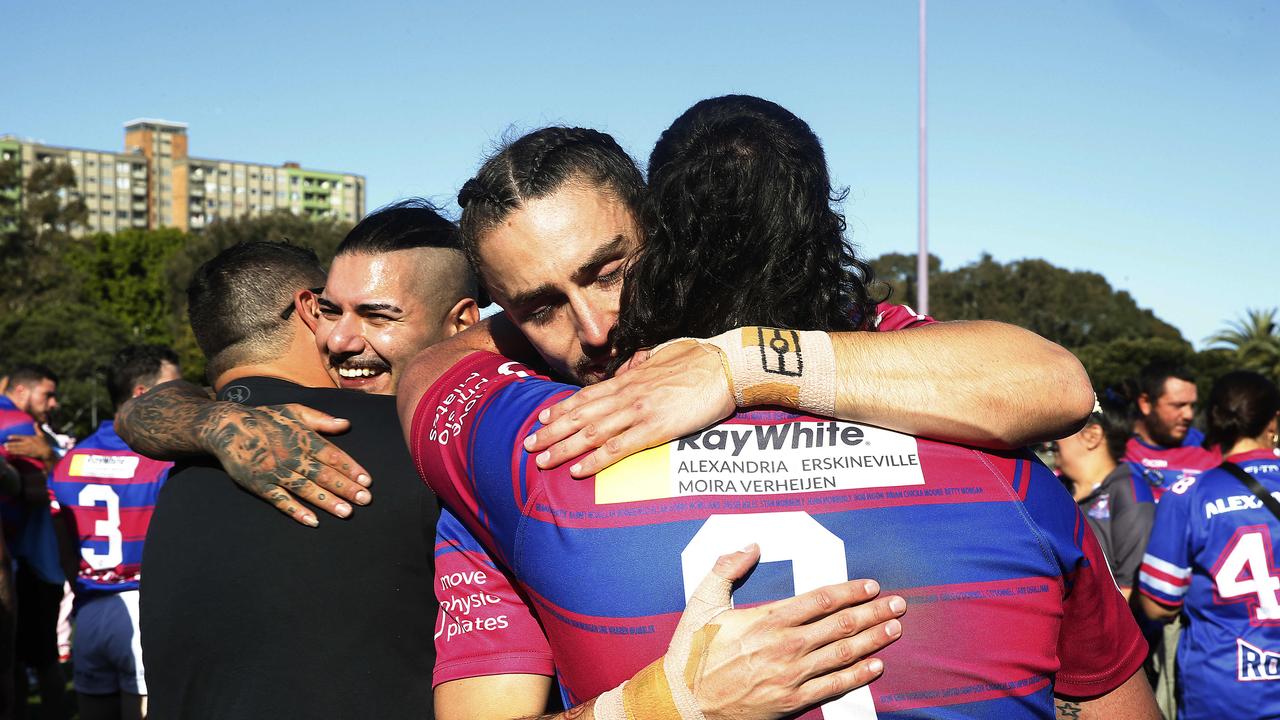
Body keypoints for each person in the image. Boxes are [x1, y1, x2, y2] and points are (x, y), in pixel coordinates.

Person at [401, 95, 1157, 719]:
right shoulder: (983, 448)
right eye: (537, 308)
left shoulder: (530, 460)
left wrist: (737, 365)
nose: (594, 330)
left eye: (609, 272)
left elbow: (1054, 382)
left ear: (666, 231)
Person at [135, 240, 444, 719]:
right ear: (309, 308)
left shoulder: (180, 470)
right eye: (335, 307)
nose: (348, 333)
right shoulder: (411, 437)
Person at [46, 345, 181, 720]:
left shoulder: (68, 463)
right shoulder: (165, 461)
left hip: (88, 616)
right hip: (142, 612)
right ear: (142, 394)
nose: (184, 395)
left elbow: (64, 551)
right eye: (175, 387)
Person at [1139, 370, 1280, 719]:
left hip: (1224, 686)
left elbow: (1158, 605)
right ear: (1273, 421)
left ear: (1213, 419)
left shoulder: (1188, 494)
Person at [0, 365, 68, 720]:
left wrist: (49, 456)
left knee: (17, 660)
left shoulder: (35, 432)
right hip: (29, 562)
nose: (54, 403)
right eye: (48, 394)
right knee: (39, 660)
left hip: (30, 560)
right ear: (23, 391)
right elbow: (36, 492)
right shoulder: (15, 423)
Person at [1056, 392, 1155, 599]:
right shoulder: (1056, 486)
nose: (1053, 437)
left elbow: (1126, 592)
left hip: (1104, 628)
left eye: (1063, 428)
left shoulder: (1130, 492)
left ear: (1092, 436)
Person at [1124, 362, 1221, 500]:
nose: (1189, 415)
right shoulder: (1116, 449)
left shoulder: (1209, 451)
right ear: (1145, 403)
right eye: (1178, 405)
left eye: (1192, 405)